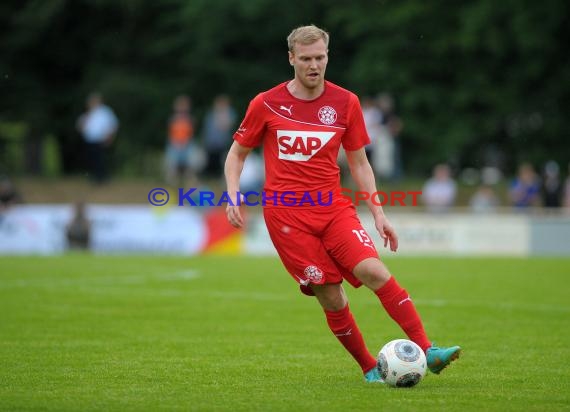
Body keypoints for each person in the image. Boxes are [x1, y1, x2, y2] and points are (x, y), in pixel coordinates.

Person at [224, 25, 460, 383]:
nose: (314, 65)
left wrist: (379, 213)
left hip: (333, 208)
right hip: (287, 218)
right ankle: (369, 367)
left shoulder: (345, 102)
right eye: (305, 58)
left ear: (327, 56)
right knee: (331, 296)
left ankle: (428, 349)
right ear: (291, 59)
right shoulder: (266, 103)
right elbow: (237, 154)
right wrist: (232, 193)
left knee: (374, 271)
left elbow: (359, 163)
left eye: (320, 57)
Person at [77, 92, 119, 184]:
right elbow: (80, 125)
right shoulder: (89, 113)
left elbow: (113, 125)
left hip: (101, 139)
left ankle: (102, 178)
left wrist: (109, 137)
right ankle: (94, 177)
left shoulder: (105, 112)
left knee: (100, 159)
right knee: (91, 159)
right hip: (89, 140)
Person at [202, 94, 237, 178]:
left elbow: (226, 126)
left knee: (224, 159)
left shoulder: (230, 113)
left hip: (224, 144)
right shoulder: (211, 114)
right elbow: (206, 130)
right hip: (210, 144)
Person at [165, 95, 197, 186]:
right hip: (175, 144)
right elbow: (171, 134)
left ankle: (190, 180)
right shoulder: (173, 120)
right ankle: (172, 181)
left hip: (187, 144)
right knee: (172, 161)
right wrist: (175, 143)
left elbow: (190, 134)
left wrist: (184, 143)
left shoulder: (190, 119)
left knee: (191, 161)